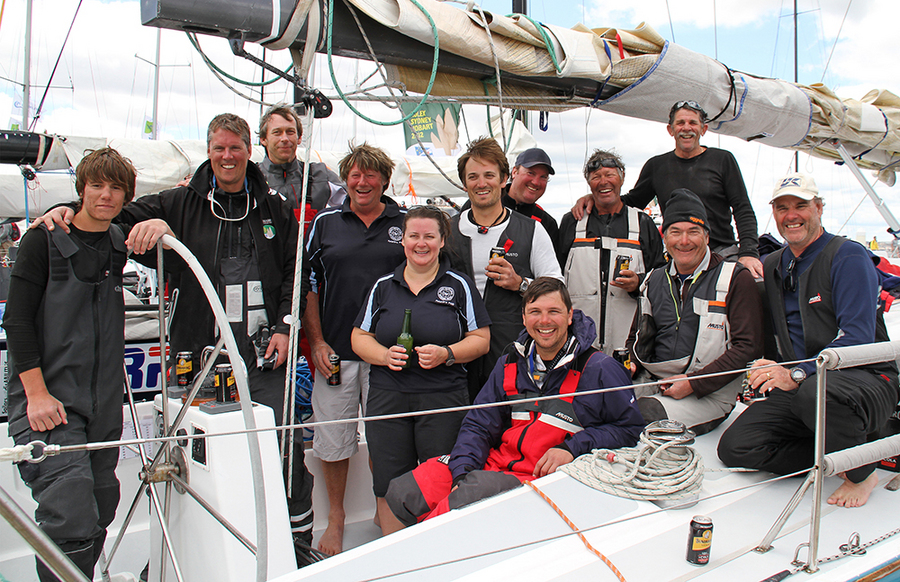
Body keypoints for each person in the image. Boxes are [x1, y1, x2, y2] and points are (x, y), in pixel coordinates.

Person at [34, 114, 317, 563]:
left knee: (283, 451)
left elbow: (295, 275)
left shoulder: (277, 207)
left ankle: (298, 545)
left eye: (236, 148)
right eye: (219, 147)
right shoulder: (177, 203)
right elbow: (106, 216)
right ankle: (183, 553)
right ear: (209, 150)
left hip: (264, 352)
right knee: (189, 453)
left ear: (250, 150)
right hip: (197, 353)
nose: (228, 156)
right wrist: (65, 210)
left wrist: (285, 327)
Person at [384, 277, 644, 526]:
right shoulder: (510, 362)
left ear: (569, 315)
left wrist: (572, 448)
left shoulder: (600, 368)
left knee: (462, 502)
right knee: (405, 492)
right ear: (523, 317)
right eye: (535, 311)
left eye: (554, 311)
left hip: (544, 479)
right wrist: (463, 472)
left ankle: (423, 561)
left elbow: (630, 430)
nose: (544, 321)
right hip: (497, 464)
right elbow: (479, 424)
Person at [4, 148, 146, 581]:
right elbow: (17, 321)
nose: (106, 195)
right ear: (81, 189)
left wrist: (157, 224)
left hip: (102, 407)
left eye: (115, 187)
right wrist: (36, 394)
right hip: (49, 404)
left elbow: (170, 222)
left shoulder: (119, 244)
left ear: (126, 195)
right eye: (97, 185)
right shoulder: (42, 240)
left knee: (102, 507)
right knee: (71, 518)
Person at [718, 173, 899, 508]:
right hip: (807, 389)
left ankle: (862, 471)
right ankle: (846, 447)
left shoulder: (848, 256)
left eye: (801, 205)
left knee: (813, 396)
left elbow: (857, 338)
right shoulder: (774, 265)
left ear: (819, 207)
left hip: (866, 378)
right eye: (782, 207)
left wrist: (796, 374)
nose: (791, 215)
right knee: (736, 448)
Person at [351, 205, 491, 536]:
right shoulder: (384, 286)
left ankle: (436, 553)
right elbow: (359, 337)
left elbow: (482, 339)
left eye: (429, 236)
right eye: (414, 236)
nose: (421, 243)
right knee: (386, 480)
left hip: (443, 397)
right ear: (403, 241)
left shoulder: (459, 286)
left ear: (443, 241)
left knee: (441, 478)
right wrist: (385, 356)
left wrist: (447, 353)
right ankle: (394, 555)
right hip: (389, 397)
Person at [302, 143, 407, 555]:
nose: (362, 183)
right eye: (354, 175)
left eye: (371, 175)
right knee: (332, 440)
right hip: (336, 354)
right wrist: (317, 342)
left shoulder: (405, 221)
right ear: (345, 180)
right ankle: (337, 517)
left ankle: (385, 510)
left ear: (384, 179)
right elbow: (308, 285)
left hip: (390, 354)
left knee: (388, 439)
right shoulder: (326, 223)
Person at [572, 101, 763, 278]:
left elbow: (742, 208)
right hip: (680, 255)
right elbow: (631, 203)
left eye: (692, 123)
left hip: (720, 252)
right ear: (670, 130)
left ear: (703, 129)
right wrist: (596, 197)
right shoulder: (657, 166)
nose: (686, 128)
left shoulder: (723, 160)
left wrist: (748, 253)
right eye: (680, 123)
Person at [628, 189, 764, 435]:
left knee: (637, 415)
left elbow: (749, 347)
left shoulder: (735, 277)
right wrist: (628, 365)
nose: (684, 241)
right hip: (656, 384)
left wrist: (693, 383)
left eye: (693, 232)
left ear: (707, 236)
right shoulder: (652, 280)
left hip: (708, 396)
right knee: (597, 405)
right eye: (675, 232)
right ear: (664, 236)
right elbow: (634, 339)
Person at [446, 137, 563, 401]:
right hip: (455, 355)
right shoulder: (447, 231)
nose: (481, 183)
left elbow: (557, 289)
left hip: (510, 353)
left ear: (503, 179)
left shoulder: (532, 229)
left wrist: (521, 283)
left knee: (507, 432)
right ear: (464, 184)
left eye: (489, 175)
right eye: (473, 176)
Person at [557, 149, 665, 355]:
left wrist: (639, 282)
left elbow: (662, 277)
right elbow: (556, 276)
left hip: (629, 340)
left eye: (610, 175)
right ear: (589, 183)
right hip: (578, 340)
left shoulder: (642, 223)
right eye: (596, 177)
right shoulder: (573, 222)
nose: (603, 181)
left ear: (622, 177)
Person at [257, 104, 346, 230]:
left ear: (299, 138)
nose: (284, 139)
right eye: (277, 132)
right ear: (263, 139)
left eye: (290, 132)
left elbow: (357, 204)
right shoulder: (253, 178)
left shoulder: (320, 175)